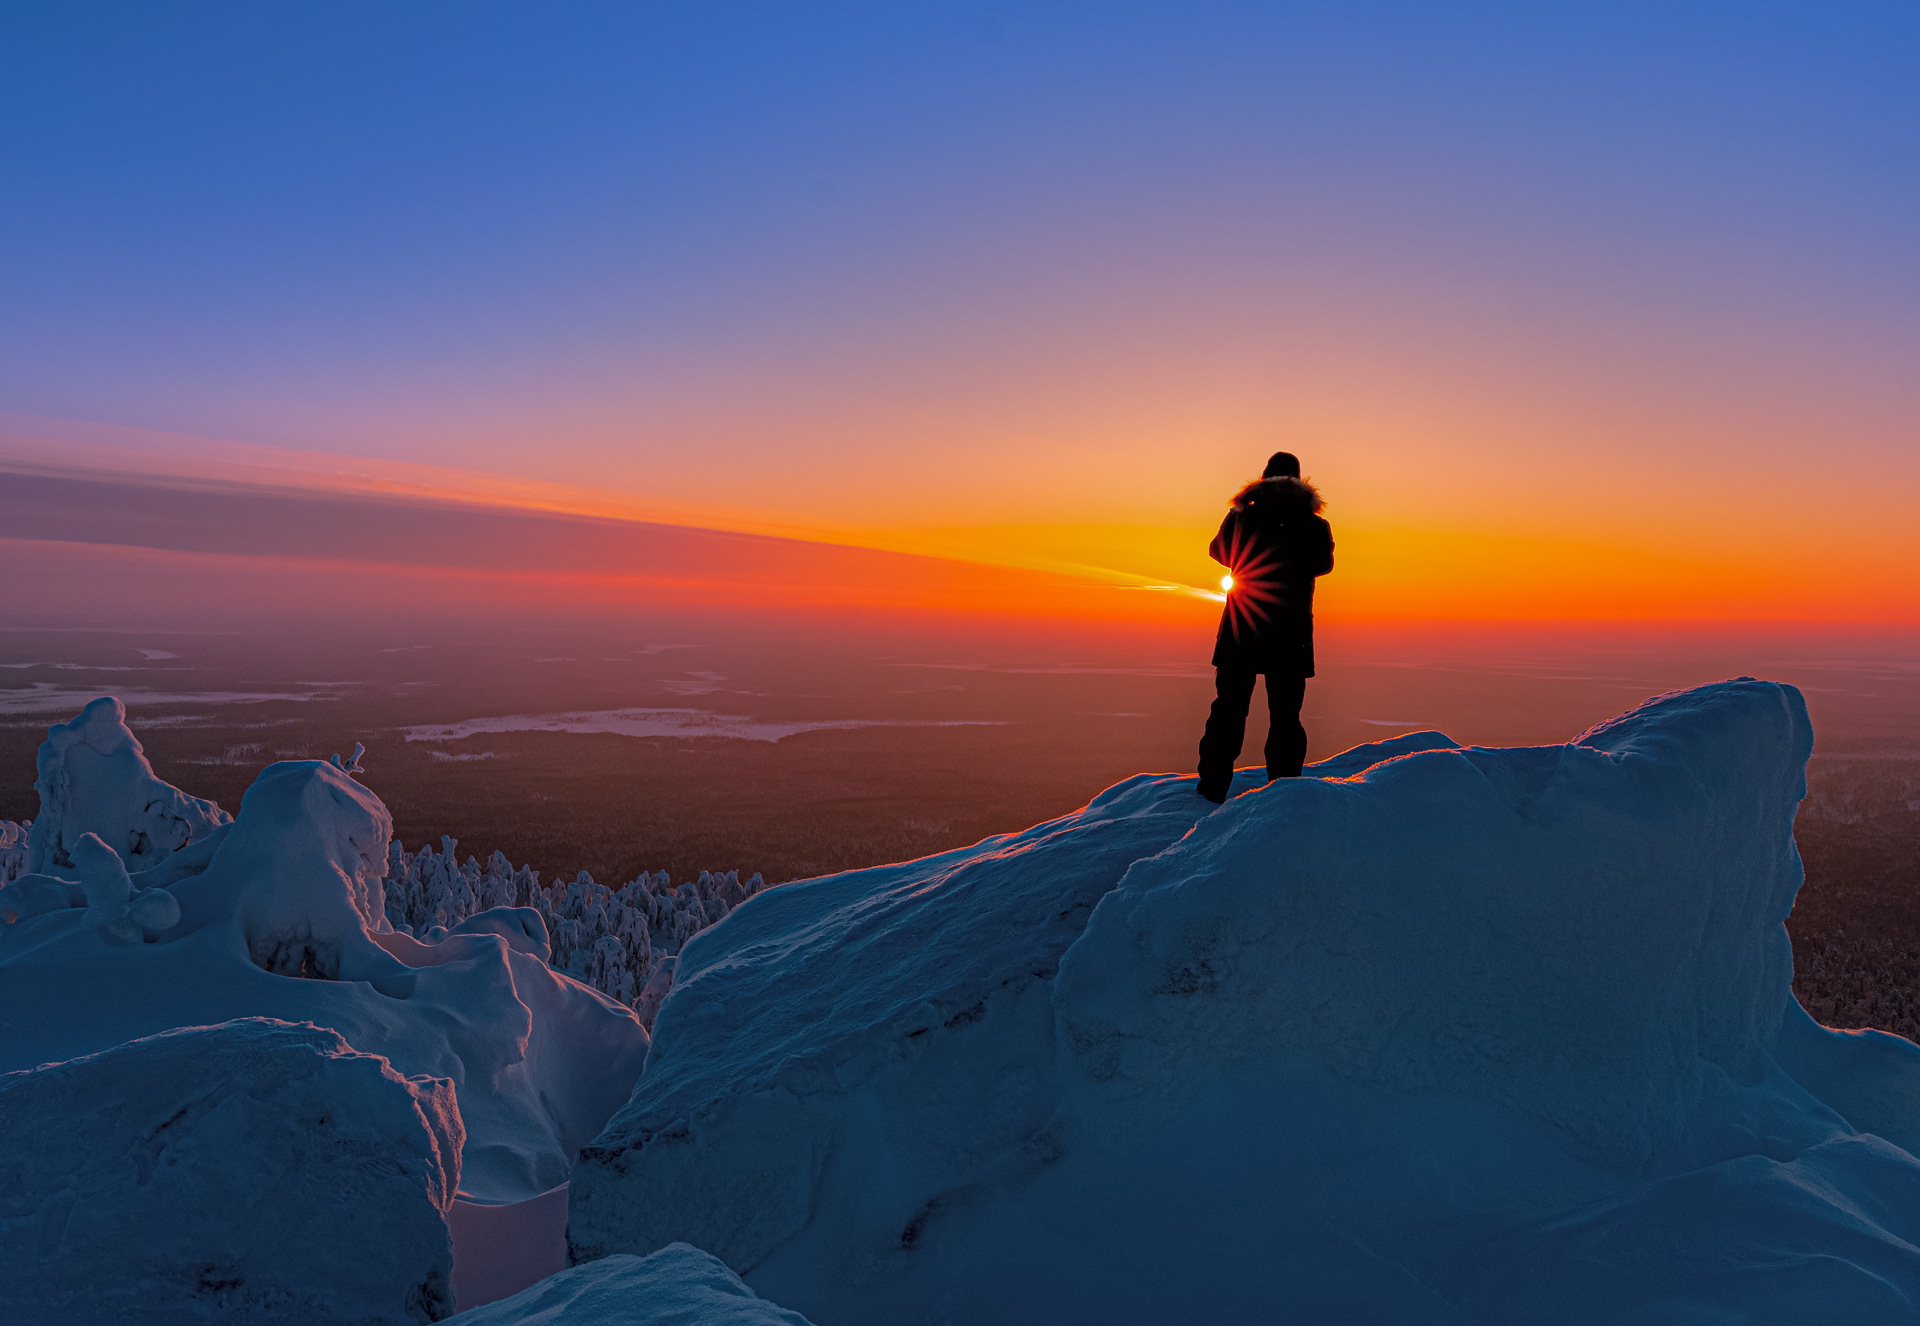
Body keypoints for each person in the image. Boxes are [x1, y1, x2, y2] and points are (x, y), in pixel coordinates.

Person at [1196, 451, 1334, 803]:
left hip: (1242, 627)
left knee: (1228, 709)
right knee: (1286, 715)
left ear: (1263, 479)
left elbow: (1219, 552)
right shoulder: (1314, 524)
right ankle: (1283, 794)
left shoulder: (1242, 516)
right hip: (1290, 632)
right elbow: (1323, 564)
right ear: (1300, 482)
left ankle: (1211, 789)